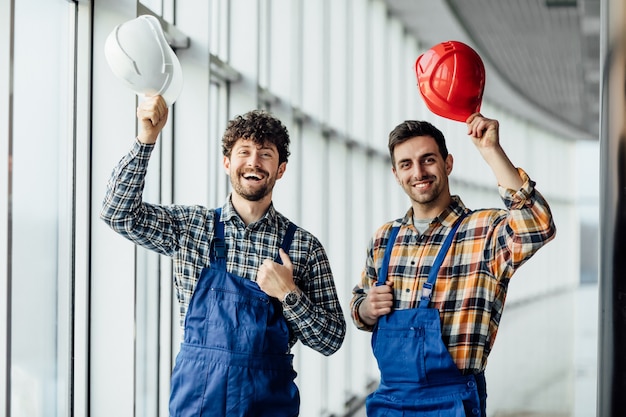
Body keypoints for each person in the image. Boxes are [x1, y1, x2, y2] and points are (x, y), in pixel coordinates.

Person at [100, 96, 346, 417]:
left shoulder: (302, 247)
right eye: (244, 152)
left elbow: (331, 339)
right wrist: (147, 139)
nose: (254, 162)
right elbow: (118, 214)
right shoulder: (192, 227)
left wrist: (289, 294)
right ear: (227, 162)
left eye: (266, 155)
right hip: (199, 402)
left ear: (280, 169)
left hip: (268, 405)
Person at [350, 113, 556, 416]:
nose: (418, 171)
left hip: (452, 403)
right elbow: (359, 304)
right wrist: (365, 309)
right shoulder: (385, 238)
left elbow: (538, 227)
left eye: (428, 160)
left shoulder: (483, 230)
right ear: (396, 174)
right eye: (406, 164)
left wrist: (490, 151)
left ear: (448, 163)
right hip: (389, 402)